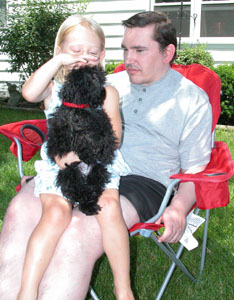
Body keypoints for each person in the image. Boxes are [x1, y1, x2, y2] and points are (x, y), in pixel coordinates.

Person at [0, 11, 212, 300]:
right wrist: (55, 157)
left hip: (142, 180)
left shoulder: (192, 100)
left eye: (139, 50)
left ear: (167, 52)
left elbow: (196, 171)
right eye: (125, 49)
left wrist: (178, 206)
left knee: (78, 228)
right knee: (20, 210)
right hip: (72, 165)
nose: (128, 59)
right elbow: (52, 106)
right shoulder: (104, 81)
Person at [15, 15, 133, 300]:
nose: (84, 58)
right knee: (56, 213)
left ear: (102, 56)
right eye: (74, 51)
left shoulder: (108, 93)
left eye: (92, 52)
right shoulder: (53, 89)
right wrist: (57, 62)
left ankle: (123, 289)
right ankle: (27, 291)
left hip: (97, 166)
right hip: (59, 166)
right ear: (60, 51)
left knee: (109, 206)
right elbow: (29, 93)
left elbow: (114, 136)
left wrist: (84, 155)